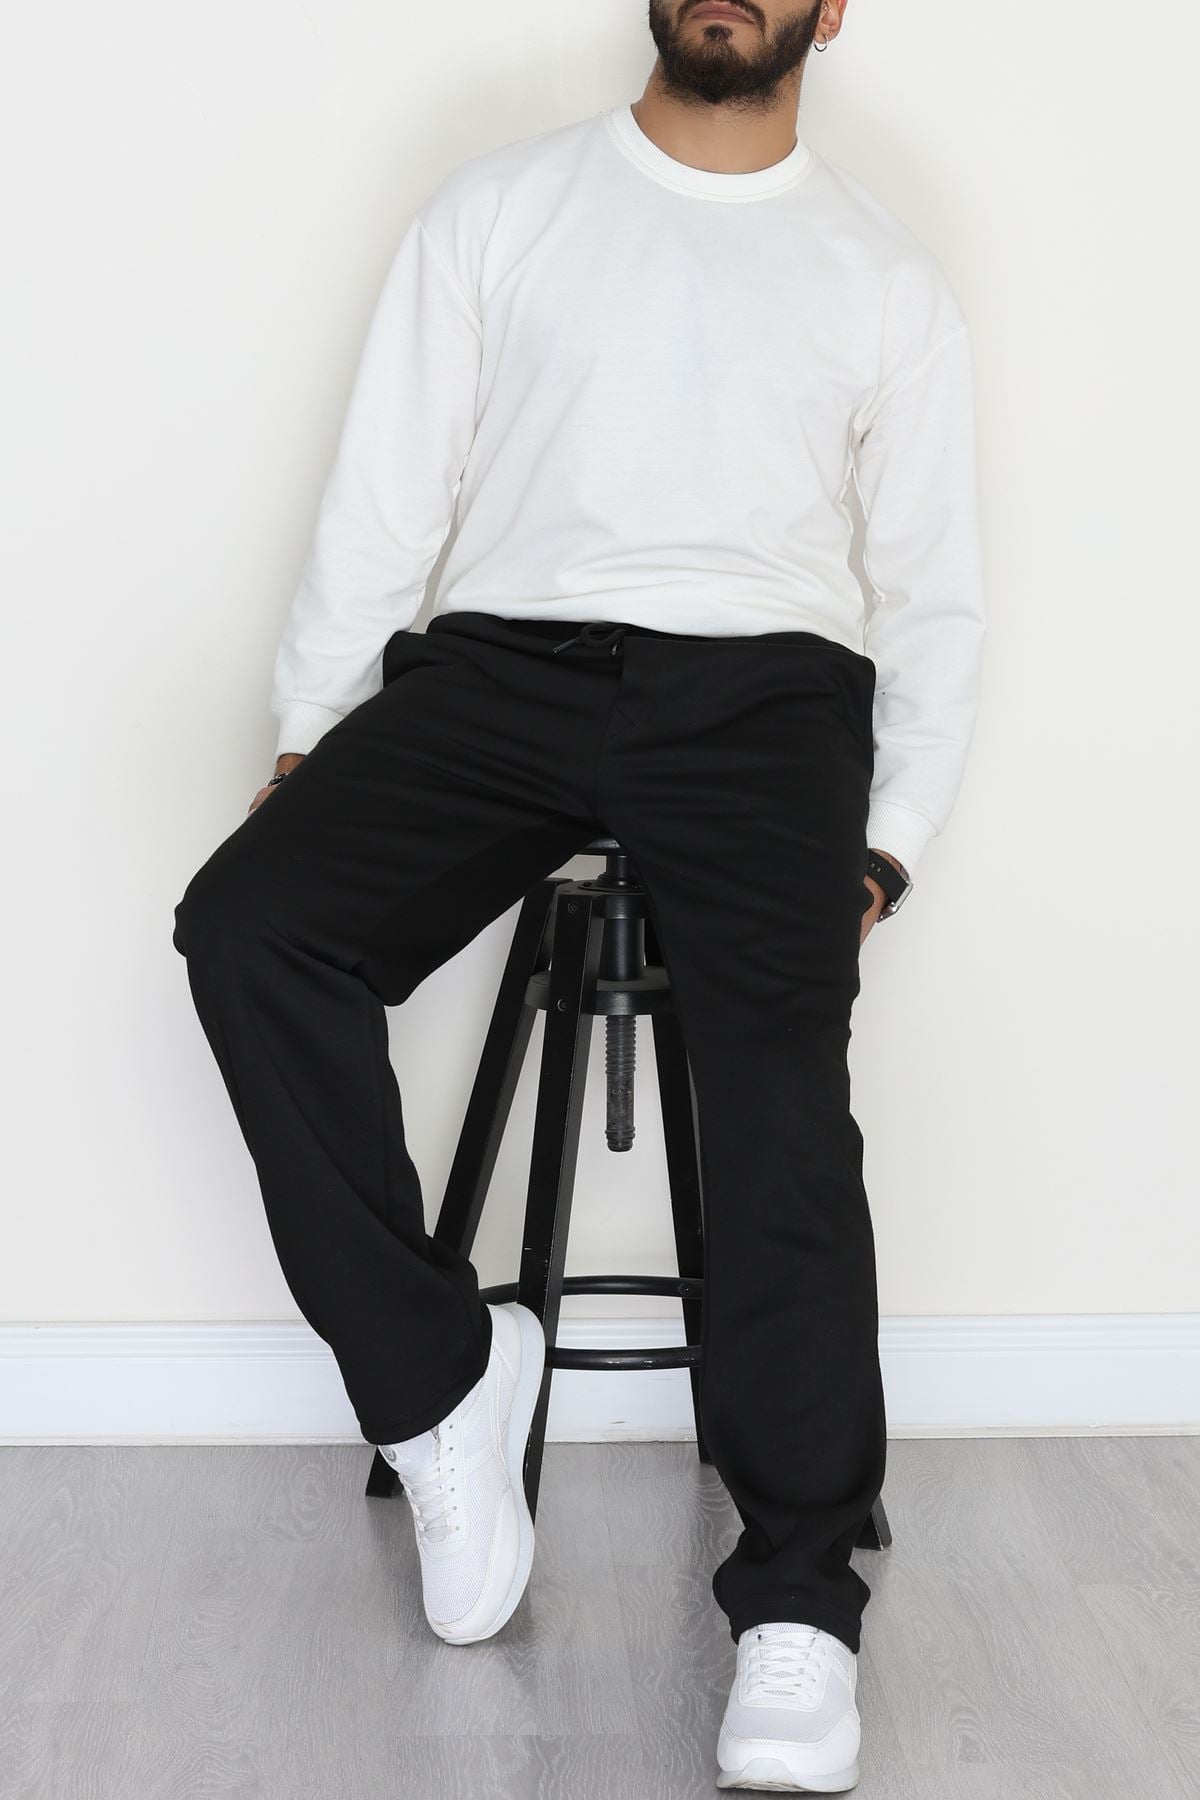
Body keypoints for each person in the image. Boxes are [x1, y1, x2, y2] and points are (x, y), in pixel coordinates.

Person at [171, 1, 986, 1791]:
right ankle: (442, 1376)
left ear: (833, 11)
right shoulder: (499, 210)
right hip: (503, 672)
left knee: (779, 1093)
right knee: (249, 926)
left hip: (769, 697)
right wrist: (315, 729)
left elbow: (934, 591)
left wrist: (893, 833)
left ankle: (796, 1604)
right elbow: (385, 497)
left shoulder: (883, 278)